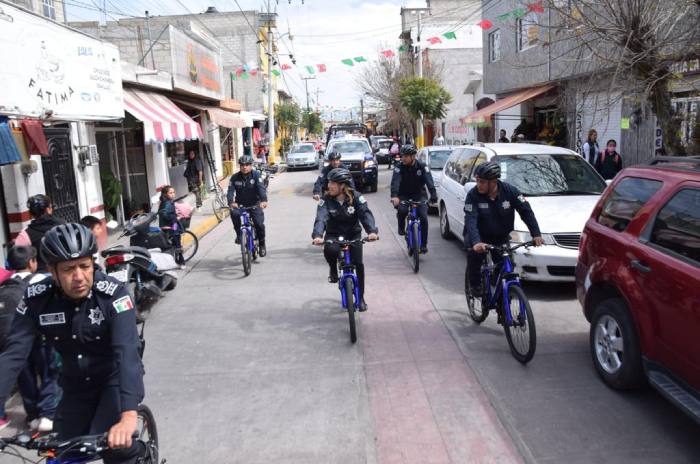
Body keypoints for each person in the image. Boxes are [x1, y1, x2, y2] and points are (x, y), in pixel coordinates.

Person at [0, 224, 144, 463]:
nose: (78, 276)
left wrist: (129, 415)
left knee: (114, 447)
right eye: (68, 270)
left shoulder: (113, 295)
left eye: (84, 266)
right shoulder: (37, 298)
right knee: (59, 456)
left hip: (113, 383)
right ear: (53, 272)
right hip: (74, 387)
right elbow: (14, 353)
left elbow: (127, 351)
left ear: (92, 264)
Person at [0, 246, 60, 433]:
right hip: (38, 334)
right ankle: (48, 414)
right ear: (31, 262)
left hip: (10, 339)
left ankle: (33, 416)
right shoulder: (42, 279)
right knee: (50, 371)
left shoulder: (4, 284)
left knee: (24, 375)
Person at [463, 161, 544, 300]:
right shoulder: (473, 195)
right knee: (474, 258)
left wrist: (536, 234)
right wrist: (476, 242)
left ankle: (502, 300)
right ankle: (475, 286)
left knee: (506, 268)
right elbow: (471, 220)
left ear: (494, 182)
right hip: (479, 236)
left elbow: (526, 212)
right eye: (477, 181)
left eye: (482, 182)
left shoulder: (510, 191)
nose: (478, 185)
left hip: (500, 236)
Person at [312, 168, 379, 312]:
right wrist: (317, 235)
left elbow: (365, 214)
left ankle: (360, 298)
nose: (329, 186)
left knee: (359, 264)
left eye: (333, 183)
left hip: (353, 234)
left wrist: (372, 231)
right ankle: (333, 269)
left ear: (343, 185)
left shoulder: (356, 197)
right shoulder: (325, 200)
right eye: (329, 182)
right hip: (333, 234)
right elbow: (321, 218)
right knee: (330, 250)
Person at [390, 144, 437, 254]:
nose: (403, 158)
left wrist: (433, 195)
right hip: (403, 195)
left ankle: (424, 244)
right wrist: (395, 196)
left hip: (419, 194)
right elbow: (395, 182)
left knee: (424, 217)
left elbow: (429, 181)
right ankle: (401, 227)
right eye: (402, 156)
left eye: (406, 156)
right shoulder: (399, 166)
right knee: (402, 210)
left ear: (413, 156)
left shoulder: (422, 166)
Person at [227, 155, 268, 257]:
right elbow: (230, 191)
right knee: (233, 213)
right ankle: (239, 235)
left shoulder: (256, 175)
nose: (244, 167)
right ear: (240, 166)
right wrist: (231, 202)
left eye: (247, 165)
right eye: (242, 165)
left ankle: (262, 244)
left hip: (255, 204)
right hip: (240, 205)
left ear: (251, 165)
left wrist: (263, 200)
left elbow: (261, 188)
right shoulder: (234, 178)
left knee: (259, 224)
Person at [14, 194, 65, 272]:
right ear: (48, 209)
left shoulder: (26, 234)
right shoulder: (64, 225)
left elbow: (17, 256)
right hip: (63, 270)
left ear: (31, 213)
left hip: (40, 276)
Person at [157, 185, 185, 267]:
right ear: (166, 194)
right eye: (170, 193)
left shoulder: (165, 202)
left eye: (173, 192)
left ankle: (177, 260)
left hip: (169, 225)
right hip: (172, 226)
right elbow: (164, 214)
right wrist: (175, 217)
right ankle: (181, 262)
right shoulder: (167, 203)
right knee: (177, 242)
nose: (173, 194)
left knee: (175, 242)